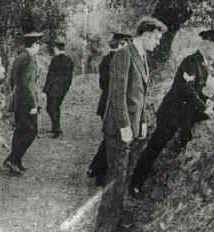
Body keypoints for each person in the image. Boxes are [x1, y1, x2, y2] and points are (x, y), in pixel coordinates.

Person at [129, 29, 214, 199]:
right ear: (206, 44)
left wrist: (208, 101)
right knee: (154, 148)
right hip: (171, 114)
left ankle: (162, 179)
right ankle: (135, 183)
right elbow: (186, 89)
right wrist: (204, 107)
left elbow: (197, 90)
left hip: (183, 115)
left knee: (182, 143)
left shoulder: (202, 65)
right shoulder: (190, 62)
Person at [94, 17, 167, 232]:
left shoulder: (142, 56)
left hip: (133, 129)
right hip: (119, 130)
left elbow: (140, 96)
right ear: (145, 35)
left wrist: (142, 122)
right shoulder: (123, 55)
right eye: (156, 38)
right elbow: (117, 96)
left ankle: (114, 221)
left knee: (122, 177)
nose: (158, 42)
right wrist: (125, 127)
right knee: (116, 180)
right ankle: (104, 227)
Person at [87, 32, 132, 187]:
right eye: (126, 42)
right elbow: (108, 85)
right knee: (110, 140)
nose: (127, 45)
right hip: (110, 105)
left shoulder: (107, 59)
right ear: (120, 44)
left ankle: (97, 170)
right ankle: (99, 172)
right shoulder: (115, 60)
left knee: (109, 139)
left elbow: (103, 84)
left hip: (108, 104)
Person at [3, 26, 44, 175]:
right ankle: (13, 160)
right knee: (31, 132)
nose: (39, 47)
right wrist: (32, 105)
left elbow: (12, 81)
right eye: (39, 44)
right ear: (34, 45)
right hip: (26, 102)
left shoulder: (19, 57)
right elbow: (27, 84)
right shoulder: (30, 59)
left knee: (20, 131)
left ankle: (16, 161)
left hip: (18, 100)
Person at [42, 38, 74, 138]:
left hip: (53, 89)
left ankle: (57, 130)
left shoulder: (55, 60)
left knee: (51, 108)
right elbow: (69, 78)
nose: (53, 51)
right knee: (55, 108)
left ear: (57, 49)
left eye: (54, 49)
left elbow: (50, 76)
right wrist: (66, 89)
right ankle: (55, 127)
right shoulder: (69, 60)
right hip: (62, 90)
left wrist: (45, 90)